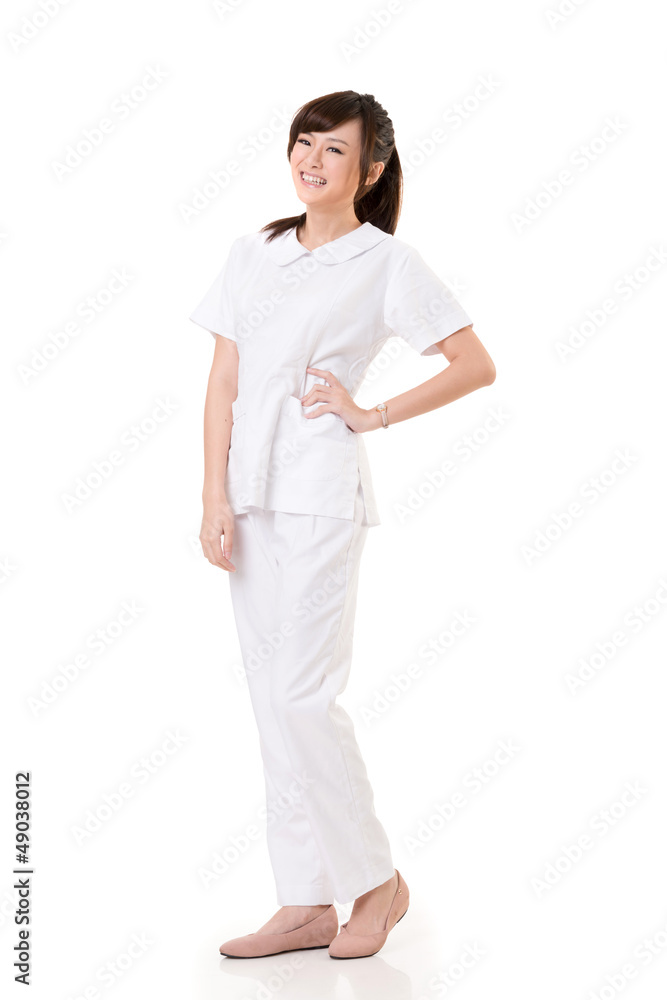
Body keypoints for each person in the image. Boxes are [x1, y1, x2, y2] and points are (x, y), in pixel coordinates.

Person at [190, 90, 496, 960]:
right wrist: (212, 496)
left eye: (333, 148)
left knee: (301, 696)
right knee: (270, 703)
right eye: (303, 142)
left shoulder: (386, 262)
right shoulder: (253, 252)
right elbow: (223, 382)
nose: (311, 159)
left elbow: (473, 363)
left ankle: (375, 883)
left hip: (319, 495)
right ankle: (303, 902)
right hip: (247, 497)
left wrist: (374, 413)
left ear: (370, 170)